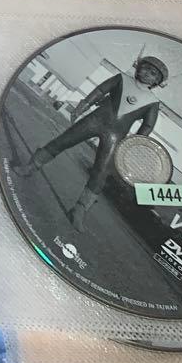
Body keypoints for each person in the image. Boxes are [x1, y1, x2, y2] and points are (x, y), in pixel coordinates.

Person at [14, 53, 168, 230]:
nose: (148, 73)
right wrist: (82, 106)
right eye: (146, 68)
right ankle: (31, 166)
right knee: (62, 141)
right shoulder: (122, 78)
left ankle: (79, 210)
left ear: (157, 82)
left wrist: (132, 146)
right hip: (94, 121)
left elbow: (147, 126)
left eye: (153, 73)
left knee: (101, 172)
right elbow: (100, 91)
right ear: (138, 67)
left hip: (115, 135)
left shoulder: (153, 102)